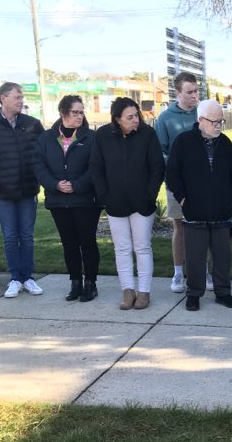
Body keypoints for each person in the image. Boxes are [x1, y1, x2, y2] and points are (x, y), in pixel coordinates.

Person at [89, 98, 164, 310]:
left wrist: (149, 195)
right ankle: (127, 290)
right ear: (117, 119)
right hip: (115, 202)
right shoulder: (103, 136)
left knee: (142, 247)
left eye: (136, 115)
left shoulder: (147, 134)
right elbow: (96, 167)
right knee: (122, 248)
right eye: (129, 117)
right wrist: (104, 196)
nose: (135, 120)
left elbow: (157, 167)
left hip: (142, 203)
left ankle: (144, 292)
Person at [166, 100, 232, 311]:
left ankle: (223, 292)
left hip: (220, 211)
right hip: (194, 210)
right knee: (195, 256)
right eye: (214, 122)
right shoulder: (184, 141)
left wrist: (231, 198)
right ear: (200, 121)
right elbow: (172, 174)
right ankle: (194, 293)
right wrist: (182, 199)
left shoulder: (225, 143)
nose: (218, 125)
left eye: (221, 121)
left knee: (222, 256)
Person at [0, 81, 45, 298]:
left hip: (28, 191)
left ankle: (28, 277)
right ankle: (15, 278)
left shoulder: (33, 124)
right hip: (3, 194)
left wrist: (39, 177)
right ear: (3, 98)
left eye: (22, 97)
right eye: (17, 97)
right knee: (10, 237)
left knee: (27, 236)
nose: (21, 101)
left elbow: (44, 153)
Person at [33, 95, 101, 303]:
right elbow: (38, 165)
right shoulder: (46, 138)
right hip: (58, 201)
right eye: (75, 112)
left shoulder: (91, 137)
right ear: (63, 113)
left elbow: (95, 166)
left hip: (85, 200)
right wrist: (55, 184)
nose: (80, 116)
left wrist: (77, 184)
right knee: (69, 243)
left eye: (82, 112)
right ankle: (75, 282)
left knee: (87, 242)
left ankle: (90, 283)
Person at [155, 72, 212, 292]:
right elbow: (159, 152)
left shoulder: (204, 114)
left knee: (202, 227)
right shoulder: (165, 118)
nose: (194, 95)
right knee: (180, 227)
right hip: (177, 184)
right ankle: (178, 273)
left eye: (196, 91)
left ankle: (203, 271)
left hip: (204, 183)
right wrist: (181, 162)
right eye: (189, 92)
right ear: (177, 93)